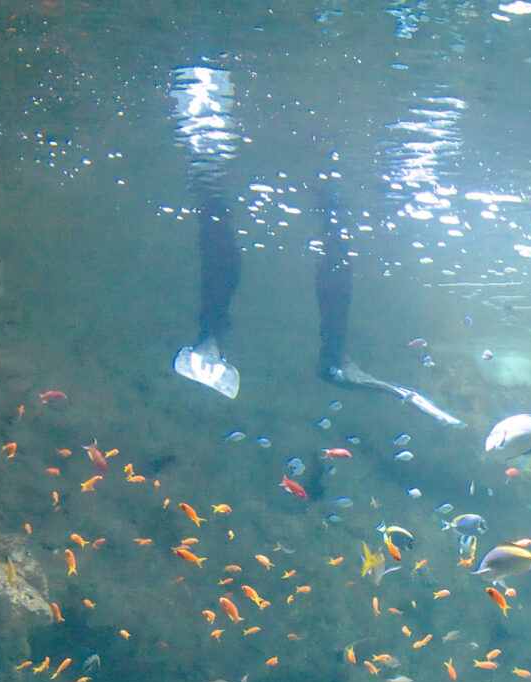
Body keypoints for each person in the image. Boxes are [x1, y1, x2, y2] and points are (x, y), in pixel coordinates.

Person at [167, 65, 459, 426]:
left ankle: (320, 354)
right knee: (315, 204)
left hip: (306, 93)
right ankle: (326, 355)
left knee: (228, 193)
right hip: (304, 89)